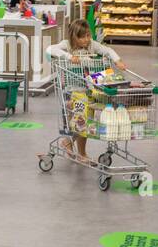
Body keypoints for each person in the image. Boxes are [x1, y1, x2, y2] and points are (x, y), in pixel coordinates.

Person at [47, 19, 124, 161]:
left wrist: (116, 60)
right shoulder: (67, 45)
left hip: (89, 89)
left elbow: (107, 50)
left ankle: (69, 143)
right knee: (81, 119)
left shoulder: (92, 45)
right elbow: (50, 49)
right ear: (73, 36)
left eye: (88, 35)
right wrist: (69, 57)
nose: (86, 39)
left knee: (85, 121)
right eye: (82, 36)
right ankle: (81, 153)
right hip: (72, 90)